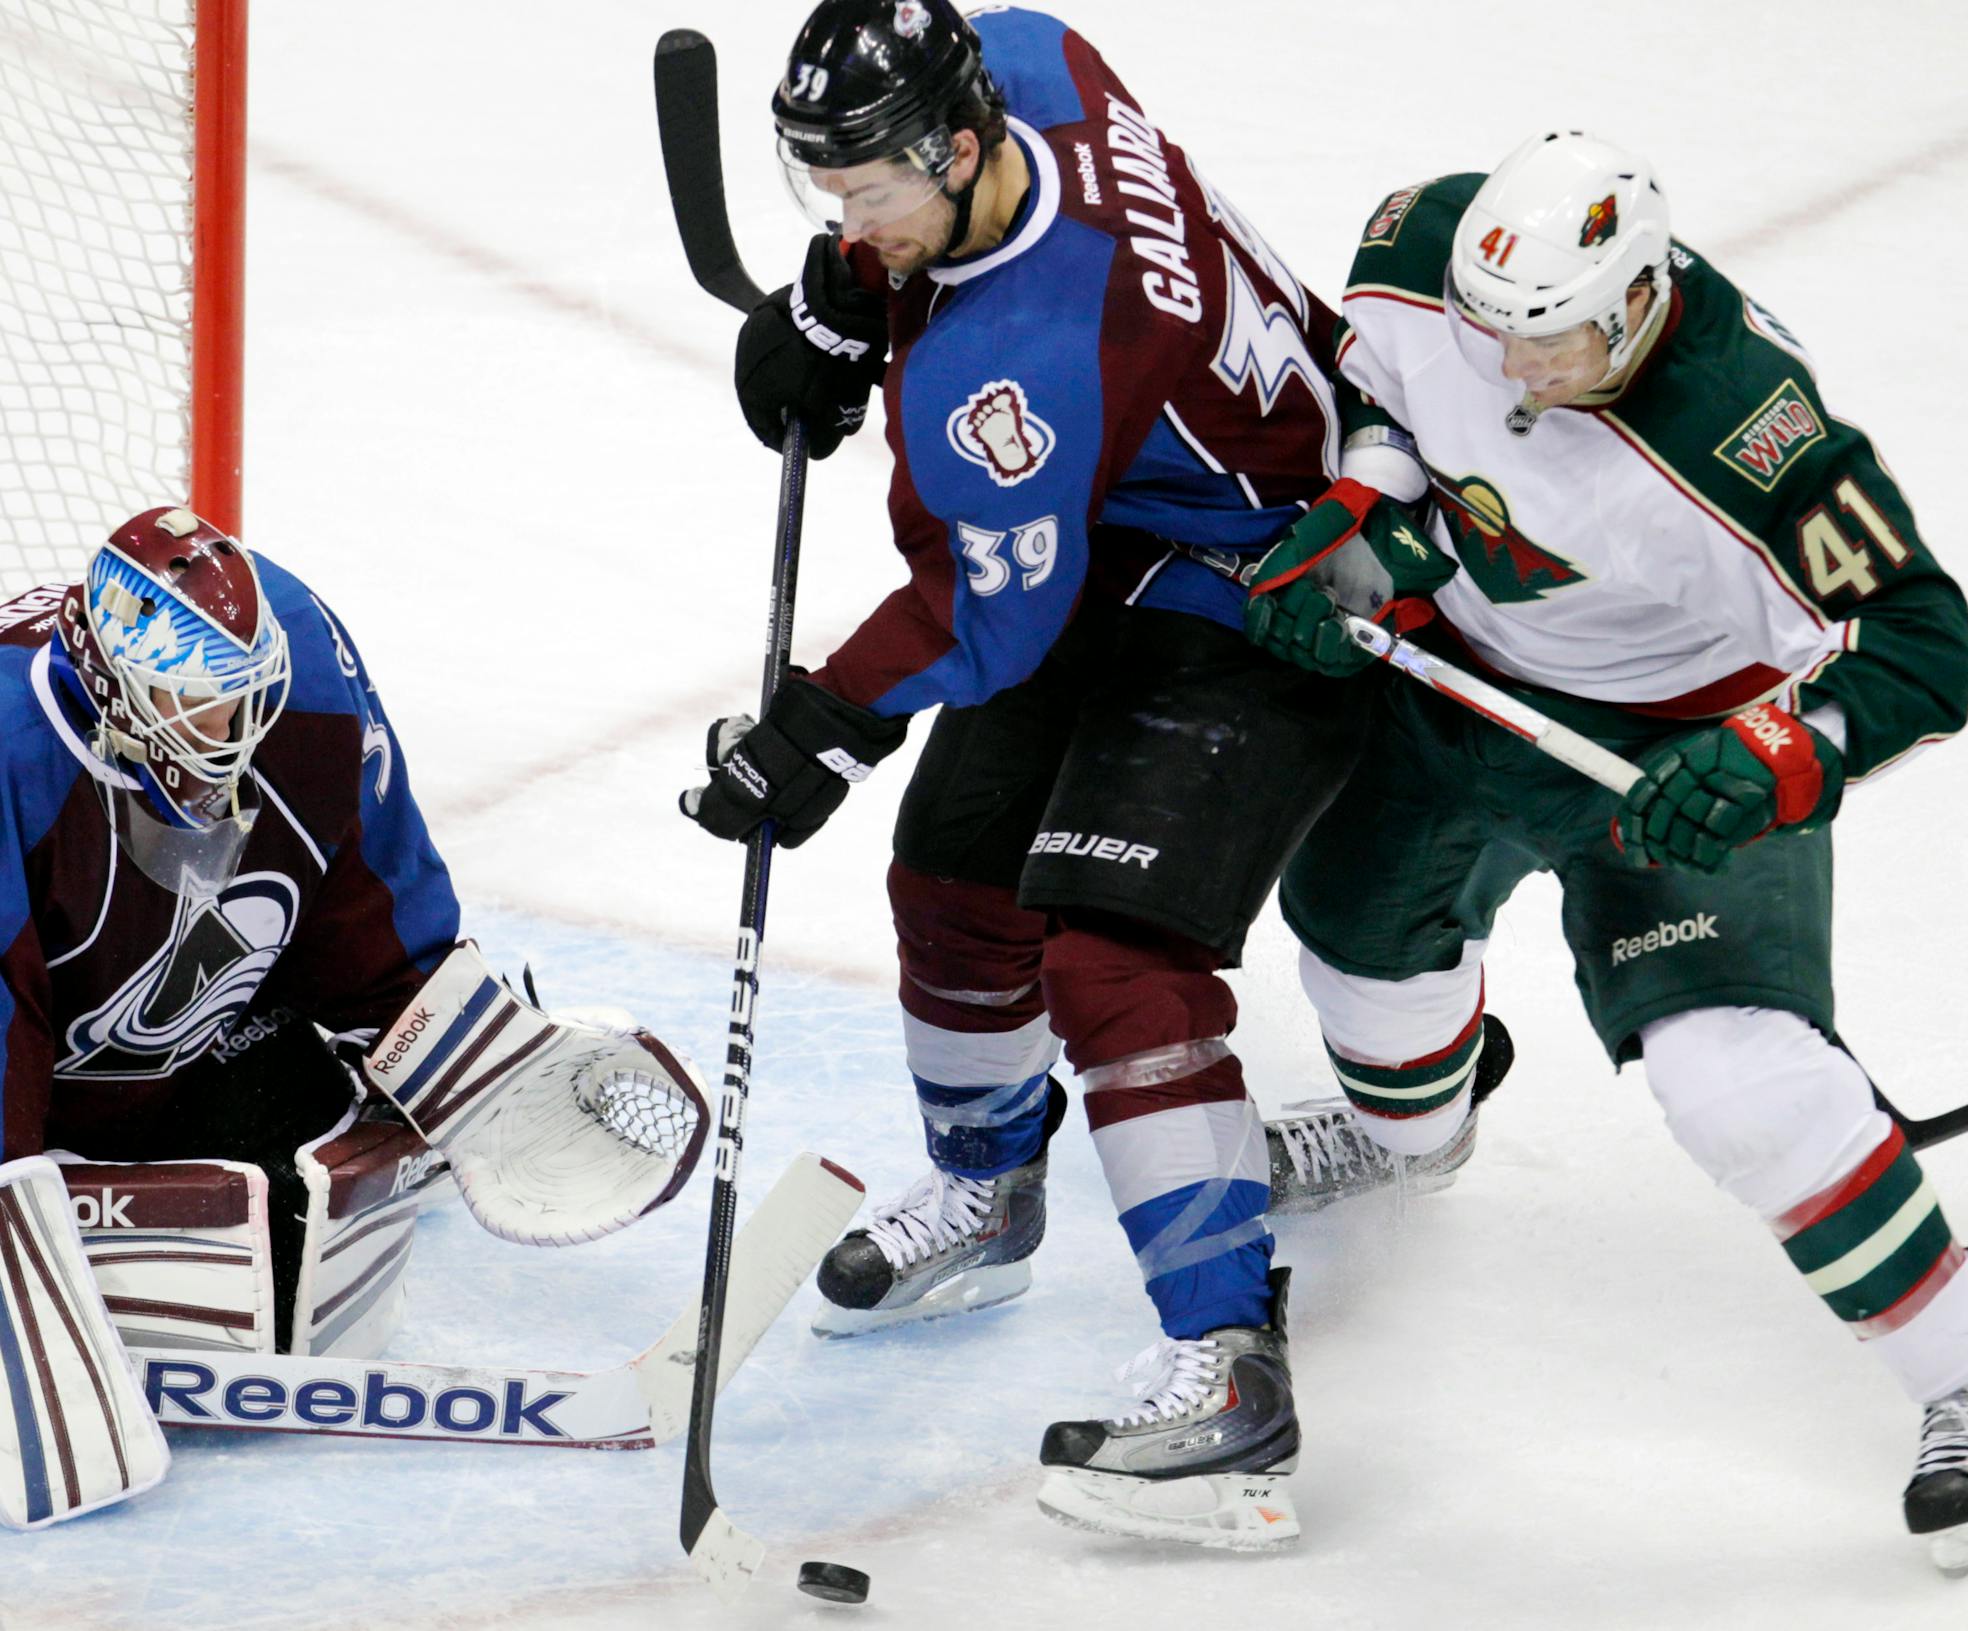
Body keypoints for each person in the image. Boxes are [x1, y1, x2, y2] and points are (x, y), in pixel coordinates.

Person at [678, 0, 1466, 1549]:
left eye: (871, 198)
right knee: (955, 865)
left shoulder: (1016, 376)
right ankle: (991, 1189)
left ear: (960, 150)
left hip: (1282, 585)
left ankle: (1229, 1371)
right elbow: (961, 241)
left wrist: (817, 726)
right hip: (1137, 517)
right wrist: (845, 293)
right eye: (829, 194)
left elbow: (980, 613)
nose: (853, 220)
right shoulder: (1029, 57)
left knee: (1113, 952)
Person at [1241, 130, 1968, 1574]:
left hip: (1680, 751)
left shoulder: (1751, 437)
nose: (1511, 372)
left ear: (1637, 299)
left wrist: (1774, 754)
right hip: (1464, 682)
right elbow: (1390, 401)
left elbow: (1926, 646)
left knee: (1736, 1080)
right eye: (1495, 335)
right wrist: (1370, 517)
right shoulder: (1423, 249)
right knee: (1350, 932)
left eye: (1548, 344)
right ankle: (1404, 1136)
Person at [0, 507, 707, 1529]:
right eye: (192, 707)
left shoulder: (295, 654)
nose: (231, 735)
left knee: (292, 1240)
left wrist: (436, 1040)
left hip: (180, 1038)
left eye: (241, 700)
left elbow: (363, 867)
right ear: (113, 687)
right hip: (40, 1069)